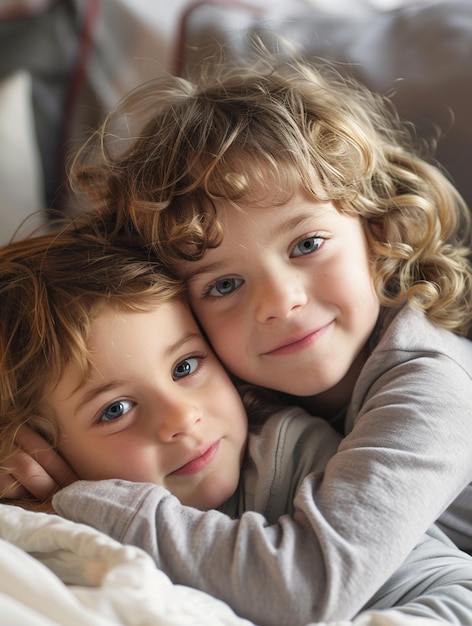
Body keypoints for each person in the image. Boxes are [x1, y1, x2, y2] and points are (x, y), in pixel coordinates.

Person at [51, 45, 472, 621]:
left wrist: (81, 503)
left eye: (306, 245)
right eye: (223, 285)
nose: (279, 302)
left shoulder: (434, 386)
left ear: (376, 231)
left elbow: (305, 585)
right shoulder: (233, 398)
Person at [2, 220, 472, 626]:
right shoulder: (38, 527)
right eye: (116, 410)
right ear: (33, 450)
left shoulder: (290, 455)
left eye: (186, 367)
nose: (182, 417)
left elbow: (455, 594)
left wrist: (84, 502)